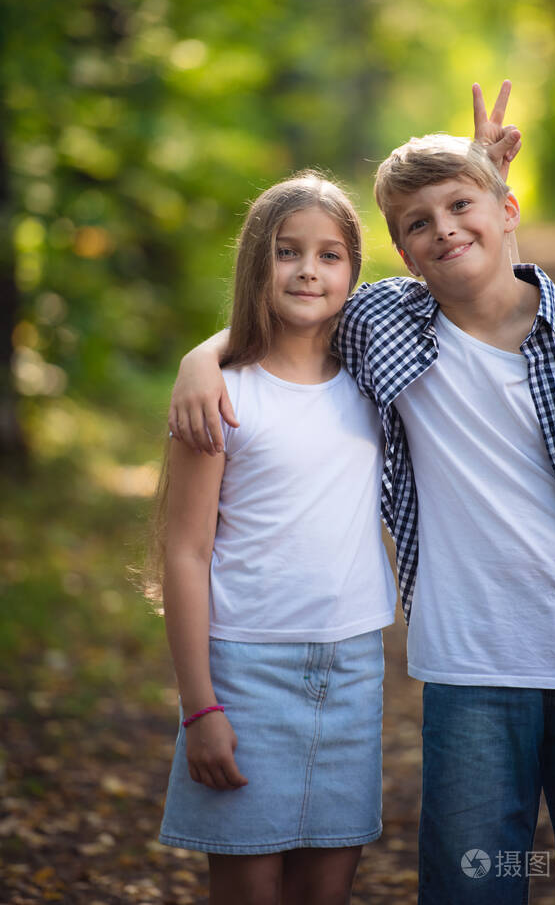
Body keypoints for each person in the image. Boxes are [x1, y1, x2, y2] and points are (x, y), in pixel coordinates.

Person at [169, 85, 555, 902]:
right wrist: (204, 356)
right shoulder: (388, 325)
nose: (443, 227)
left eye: (462, 206)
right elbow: (296, 304)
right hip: (466, 672)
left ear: (509, 209)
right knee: (469, 886)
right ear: (403, 254)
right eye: (418, 223)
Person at [151, 171, 398, 905]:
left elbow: (456, 288)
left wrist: (486, 173)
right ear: (257, 260)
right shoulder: (220, 392)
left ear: (353, 268)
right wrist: (200, 707)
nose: (307, 270)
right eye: (287, 251)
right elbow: (186, 552)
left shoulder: (374, 378)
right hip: (244, 672)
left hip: (352, 668)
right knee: (250, 883)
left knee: (327, 886)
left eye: (329, 255)